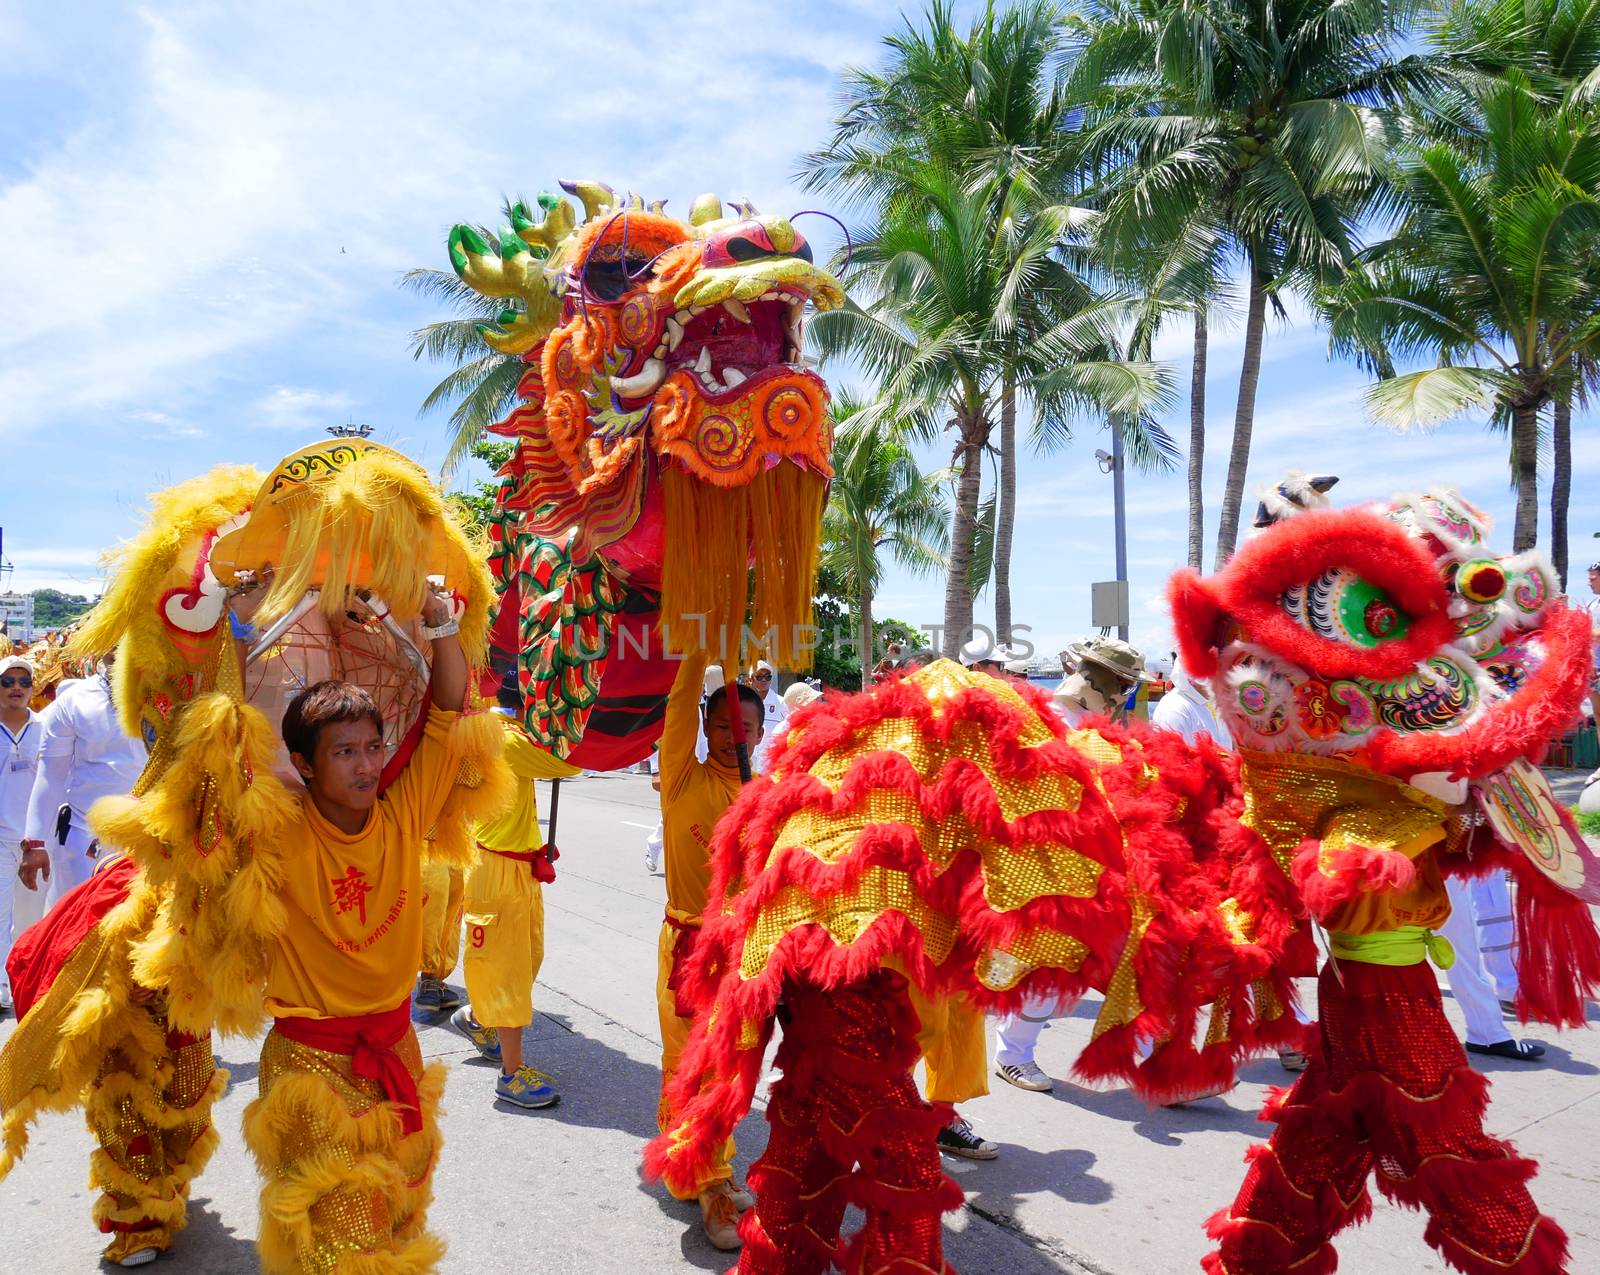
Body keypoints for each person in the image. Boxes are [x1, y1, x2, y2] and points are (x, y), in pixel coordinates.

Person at [241, 587, 474, 1274]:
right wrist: (230, 621)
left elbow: (450, 712)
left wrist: (441, 625)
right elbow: (218, 747)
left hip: (395, 1048)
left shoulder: (402, 812)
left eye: (373, 746)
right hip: (309, 1064)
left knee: (396, 1221)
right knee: (343, 1240)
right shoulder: (276, 828)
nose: (367, 764)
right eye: (344, 751)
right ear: (305, 765)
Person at [996, 637, 1150, 1092]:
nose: (1124, 694)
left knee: (1136, 958)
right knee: (1044, 968)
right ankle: (1013, 1055)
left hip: (1094, 863)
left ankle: (1160, 1059)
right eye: (1122, 684)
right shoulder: (1048, 715)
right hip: (1045, 864)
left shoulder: (1092, 720)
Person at [656, 652, 763, 1250]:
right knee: (691, 1065)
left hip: (742, 950)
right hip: (688, 943)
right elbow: (677, 705)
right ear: (704, 729)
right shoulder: (681, 776)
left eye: (744, 728)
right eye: (722, 726)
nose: (733, 737)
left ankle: (693, 1163)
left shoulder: (762, 794)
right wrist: (702, 642)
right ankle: (712, 1183)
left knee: (729, 1067)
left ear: (760, 731)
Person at [450, 673, 580, 1107]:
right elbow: (568, 765)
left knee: (524, 960)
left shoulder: (496, 730)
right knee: (508, 970)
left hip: (513, 867)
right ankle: (510, 1075)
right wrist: (563, 724)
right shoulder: (504, 739)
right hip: (498, 868)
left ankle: (478, 1018)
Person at [19, 652, 146, 906]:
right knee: (78, 931)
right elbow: (51, 775)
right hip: (84, 844)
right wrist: (35, 841)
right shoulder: (75, 701)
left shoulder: (174, 697)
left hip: (152, 840)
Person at [1440, 871, 1545, 1062]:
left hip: (1435, 860)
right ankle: (1488, 1033)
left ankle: (1488, 1033)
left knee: (1461, 950)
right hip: (1414, 858)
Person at [0, 655, 46, 1015]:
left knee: (33, 913)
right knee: (0, 915)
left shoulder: (46, 727)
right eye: (7, 681)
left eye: (23, 682)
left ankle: (30, 981)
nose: (16, 688)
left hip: (37, 838)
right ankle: (2, 988)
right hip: (0, 837)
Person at [414, 861, 464, 1013]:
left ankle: (435, 976)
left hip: (456, 840)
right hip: (425, 840)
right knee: (433, 888)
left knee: (455, 891)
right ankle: (427, 973)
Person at [751, 659, 787, 774]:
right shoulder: (747, 704)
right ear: (752, 679)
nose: (764, 680)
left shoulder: (781, 703)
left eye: (768, 676)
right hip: (751, 762)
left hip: (772, 766)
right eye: (759, 677)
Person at [1583, 560, 1600, 787]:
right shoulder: (1592, 604)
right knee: (1598, 715)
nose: (1589, 582)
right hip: (1594, 668)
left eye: (1593, 578)